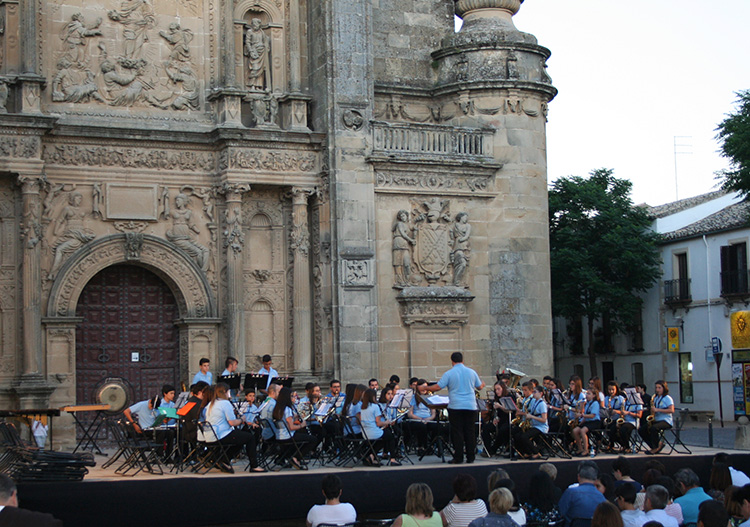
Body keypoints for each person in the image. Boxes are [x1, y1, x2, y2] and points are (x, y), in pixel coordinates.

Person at [426, 352, 485, 464]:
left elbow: (438, 387)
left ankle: (458, 457)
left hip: (456, 406)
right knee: (470, 432)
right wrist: (482, 382)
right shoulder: (472, 372)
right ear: (463, 360)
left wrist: (426, 387)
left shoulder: (449, 373)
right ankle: (470, 457)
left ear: (452, 361)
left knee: (457, 432)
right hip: (470, 406)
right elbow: (480, 386)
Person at [204, 383, 265, 472]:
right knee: (249, 437)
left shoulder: (211, 403)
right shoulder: (225, 403)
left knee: (240, 437)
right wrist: (241, 419)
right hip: (221, 435)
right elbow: (232, 422)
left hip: (211, 435)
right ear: (225, 392)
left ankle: (225, 460)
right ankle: (254, 465)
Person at [272, 386, 320, 469]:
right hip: (288, 436)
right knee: (313, 439)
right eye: (292, 396)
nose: (293, 398)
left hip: (279, 436)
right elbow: (291, 427)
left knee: (302, 435)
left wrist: (295, 416)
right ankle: (296, 457)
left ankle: (287, 456)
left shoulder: (278, 408)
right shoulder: (287, 409)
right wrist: (302, 425)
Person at [359, 388, 400, 466]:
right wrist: (386, 422)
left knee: (383, 439)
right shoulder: (375, 406)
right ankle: (393, 459)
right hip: (374, 432)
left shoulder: (363, 407)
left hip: (365, 432)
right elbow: (378, 423)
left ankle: (371, 456)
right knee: (390, 436)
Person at [558, 462, 607, 527]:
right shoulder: (601, 497)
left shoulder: (571, 492)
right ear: (595, 479)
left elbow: (560, 513)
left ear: (578, 477)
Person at [513, 384, 547, 459]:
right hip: (534, 425)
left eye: (535, 392)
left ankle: (536, 452)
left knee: (524, 437)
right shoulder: (534, 403)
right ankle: (526, 452)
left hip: (540, 427)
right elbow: (529, 411)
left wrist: (531, 416)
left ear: (541, 393)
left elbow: (544, 420)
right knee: (517, 435)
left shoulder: (542, 404)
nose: (533, 393)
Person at [407, 379, 438, 456]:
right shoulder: (413, 398)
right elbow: (410, 414)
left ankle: (431, 445)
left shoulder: (430, 397)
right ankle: (421, 447)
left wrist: (429, 419)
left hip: (428, 419)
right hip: (417, 419)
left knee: (437, 426)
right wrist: (420, 419)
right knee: (421, 427)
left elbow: (433, 413)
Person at [571, 388, 601, 456]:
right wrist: (580, 423)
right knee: (575, 431)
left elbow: (592, 415)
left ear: (593, 395)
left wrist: (581, 415)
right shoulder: (587, 403)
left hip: (595, 421)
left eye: (589, 394)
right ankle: (580, 448)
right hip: (587, 421)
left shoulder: (595, 403)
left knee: (583, 431)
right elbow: (586, 415)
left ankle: (586, 450)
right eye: (586, 393)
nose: (587, 395)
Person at [646, 380, 673, 454]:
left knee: (653, 428)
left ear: (664, 388)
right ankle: (655, 445)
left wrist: (657, 410)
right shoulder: (655, 398)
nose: (657, 390)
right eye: (656, 388)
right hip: (657, 419)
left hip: (666, 420)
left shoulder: (667, 398)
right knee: (642, 429)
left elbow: (671, 410)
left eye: (659, 388)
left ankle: (656, 447)